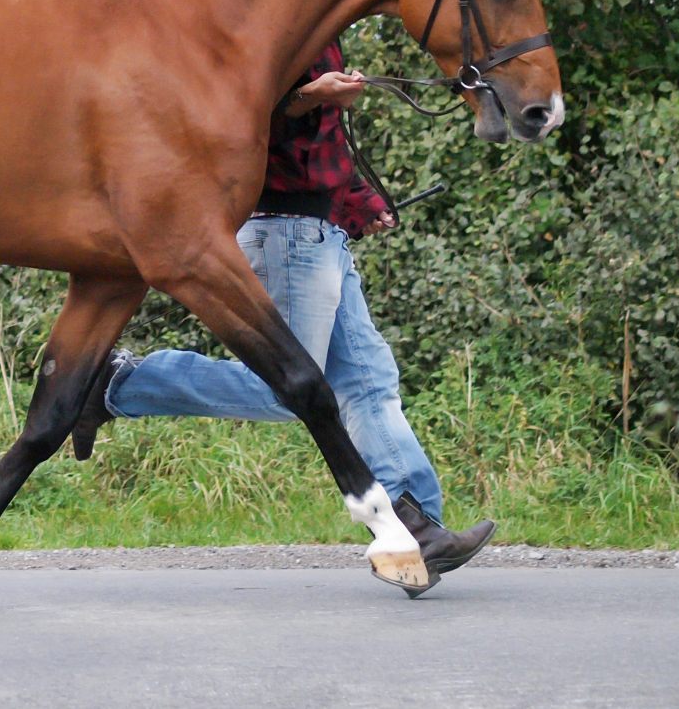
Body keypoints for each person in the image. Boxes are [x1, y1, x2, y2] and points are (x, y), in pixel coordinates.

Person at [71, 39, 495, 590]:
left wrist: (362, 204)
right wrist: (307, 96)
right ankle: (116, 385)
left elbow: (322, 156)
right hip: (284, 234)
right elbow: (237, 120)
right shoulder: (270, 31)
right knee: (280, 391)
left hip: (320, 237)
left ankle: (417, 529)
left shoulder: (322, 32)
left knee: (369, 384)